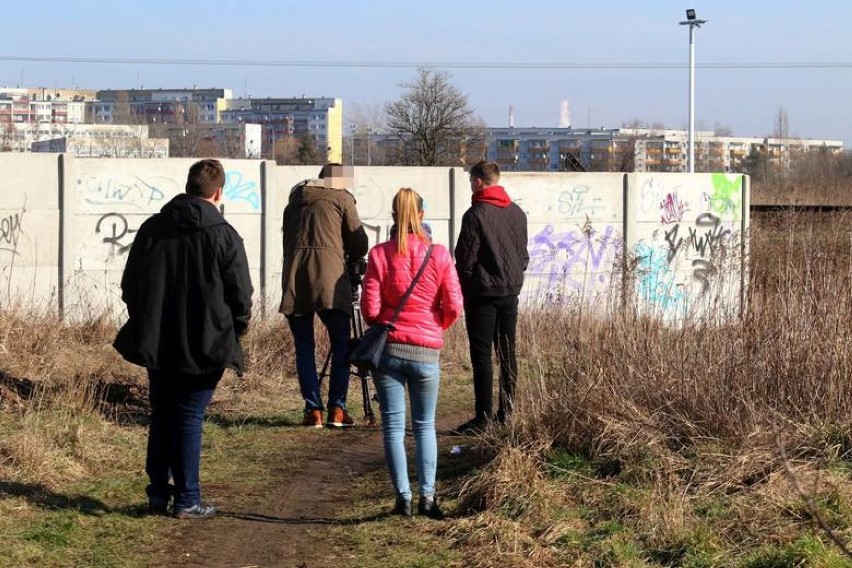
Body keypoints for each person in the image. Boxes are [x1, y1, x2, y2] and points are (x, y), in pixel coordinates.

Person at [114, 159, 253, 519]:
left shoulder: (152, 229)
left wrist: (146, 320)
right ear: (218, 192)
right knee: (189, 415)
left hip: (159, 340)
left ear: (189, 186)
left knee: (163, 413)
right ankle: (188, 498)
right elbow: (241, 295)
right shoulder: (224, 235)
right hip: (207, 342)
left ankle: (159, 493)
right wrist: (233, 331)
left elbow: (131, 285)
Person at [361, 187, 463, 518]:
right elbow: (454, 306)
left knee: (392, 427)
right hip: (426, 351)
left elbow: (370, 310)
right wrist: (435, 326)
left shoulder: (378, 255)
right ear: (421, 215)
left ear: (393, 216)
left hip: (389, 349)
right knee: (425, 425)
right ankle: (428, 498)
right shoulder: (440, 255)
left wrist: (391, 320)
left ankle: (402, 498)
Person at [280, 163, 369, 428]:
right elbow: (359, 243)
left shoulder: (294, 201)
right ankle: (337, 409)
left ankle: (313, 411)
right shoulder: (341, 198)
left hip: (296, 279)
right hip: (331, 280)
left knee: (304, 347)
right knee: (342, 343)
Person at [453, 160, 529, 435]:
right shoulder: (517, 213)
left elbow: (464, 257)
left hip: (483, 293)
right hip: (511, 291)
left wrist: (466, 283)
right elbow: (523, 255)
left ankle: (483, 417)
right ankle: (506, 412)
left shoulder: (475, 215)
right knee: (508, 353)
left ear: (477, 182)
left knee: (482, 354)